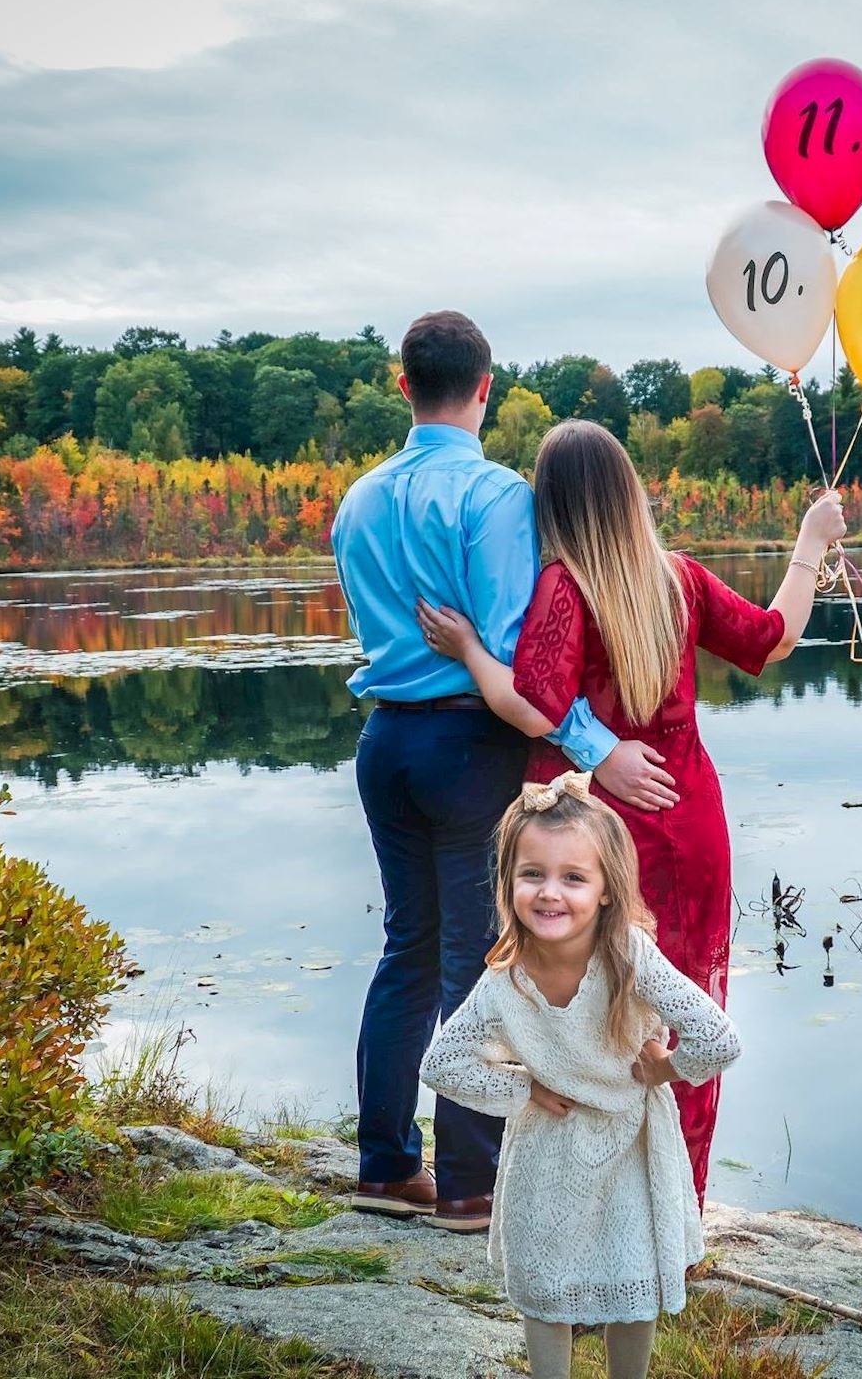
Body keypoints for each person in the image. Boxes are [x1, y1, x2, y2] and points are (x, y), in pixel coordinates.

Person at [417, 419, 846, 1202]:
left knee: (589, 1020)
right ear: (628, 494)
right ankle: (678, 1216)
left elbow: (528, 705)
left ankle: (604, 1209)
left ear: (552, 505)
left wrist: (470, 648)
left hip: (593, 836)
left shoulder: (563, 587)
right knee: (681, 1013)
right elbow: (776, 638)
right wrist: (810, 542)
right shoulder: (677, 578)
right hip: (686, 820)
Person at [331, 313, 681, 1231]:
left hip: (385, 745)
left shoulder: (356, 502)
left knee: (406, 947)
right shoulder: (493, 499)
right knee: (469, 959)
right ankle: (468, 1187)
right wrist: (599, 747)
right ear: (485, 388)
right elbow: (520, 671)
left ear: (403, 386)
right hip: (466, 745)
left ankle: (382, 1166)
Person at [420, 774, 740, 1379]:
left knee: (633, 1276)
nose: (550, 893)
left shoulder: (631, 959)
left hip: (631, 1147)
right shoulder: (504, 981)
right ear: (507, 882)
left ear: (607, 890)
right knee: (545, 1281)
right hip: (549, 1148)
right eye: (532, 874)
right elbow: (441, 1064)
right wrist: (525, 1089)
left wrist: (666, 1068)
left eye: (573, 877)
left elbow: (718, 1038)